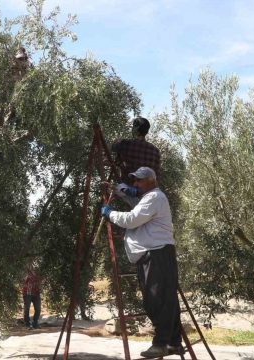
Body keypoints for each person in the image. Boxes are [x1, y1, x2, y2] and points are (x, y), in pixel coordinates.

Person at [101, 167, 184, 358]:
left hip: (156, 255)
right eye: (135, 181)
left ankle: (160, 344)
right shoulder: (150, 198)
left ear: (151, 181)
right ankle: (173, 343)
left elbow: (131, 219)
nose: (136, 184)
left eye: (139, 181)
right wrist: (120, 190)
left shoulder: (154, 197)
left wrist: (110, 214)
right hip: (158, 253)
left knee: (156, 300)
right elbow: (135, 202)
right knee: (166, 299)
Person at [111, 117, 161, 186]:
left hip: (127, 190)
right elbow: (156, 174)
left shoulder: (125, 145)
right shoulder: (155, 151)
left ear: (134, 129)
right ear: (147, 132)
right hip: (146, 192)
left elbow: (113, 147)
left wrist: (119, 140)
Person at [21, 265, 41, 330]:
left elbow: (40, 279)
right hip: (27, 293)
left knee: (38, 308)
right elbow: (23, 280)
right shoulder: (25, 270)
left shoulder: (37, 269)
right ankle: (27, 324)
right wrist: (28, 277)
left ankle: (35, 323)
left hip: (36, 292)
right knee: (27, 309)